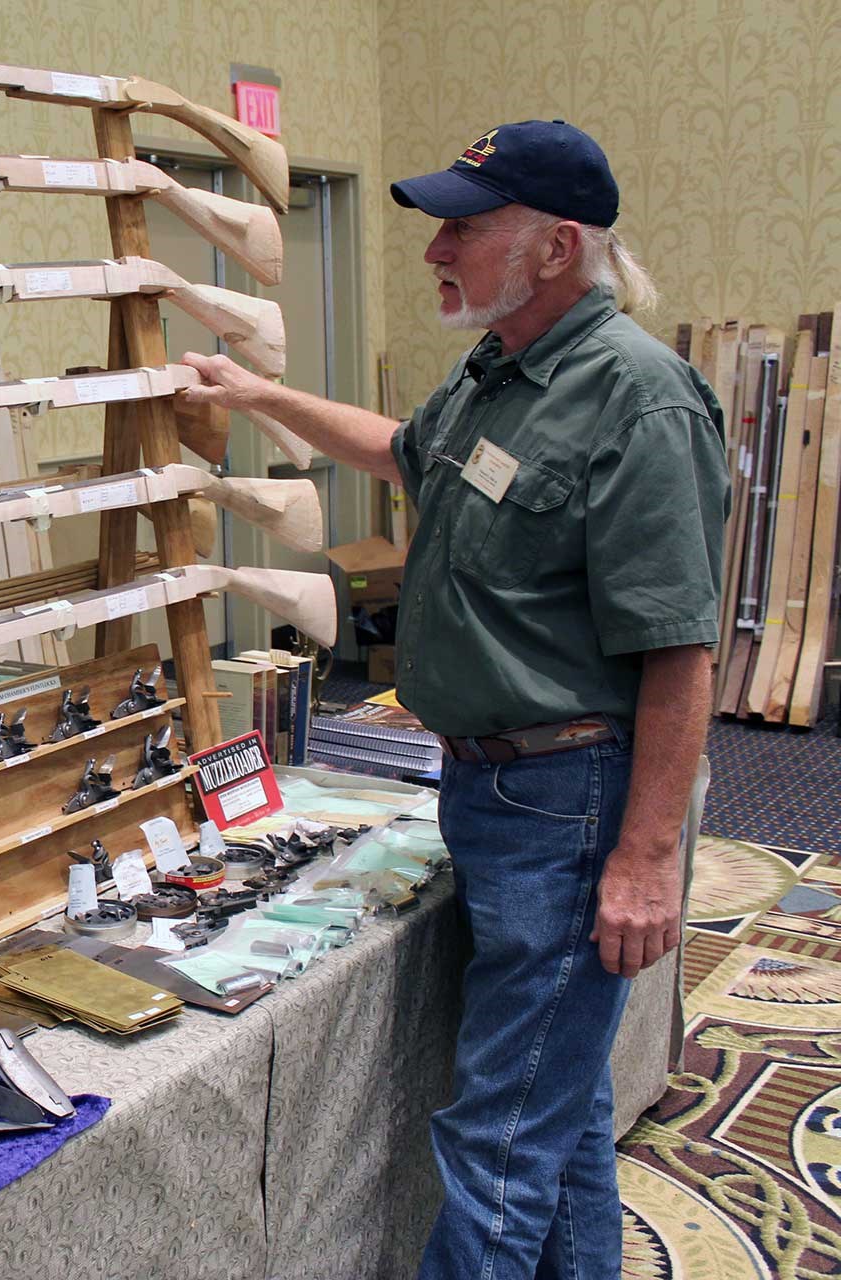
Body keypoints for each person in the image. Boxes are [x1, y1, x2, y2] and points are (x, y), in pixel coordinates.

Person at [179, 120, 729, 1279]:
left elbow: (682, 655)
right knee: (559, 1103)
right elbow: (405, 452)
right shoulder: (495, 370)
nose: (437, 247)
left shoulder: (638, 398)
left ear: (553, 248)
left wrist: (646, 857)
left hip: (571, 800)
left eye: (465, 226)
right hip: (489, 786)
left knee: (499, 1136)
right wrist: (259, 394)